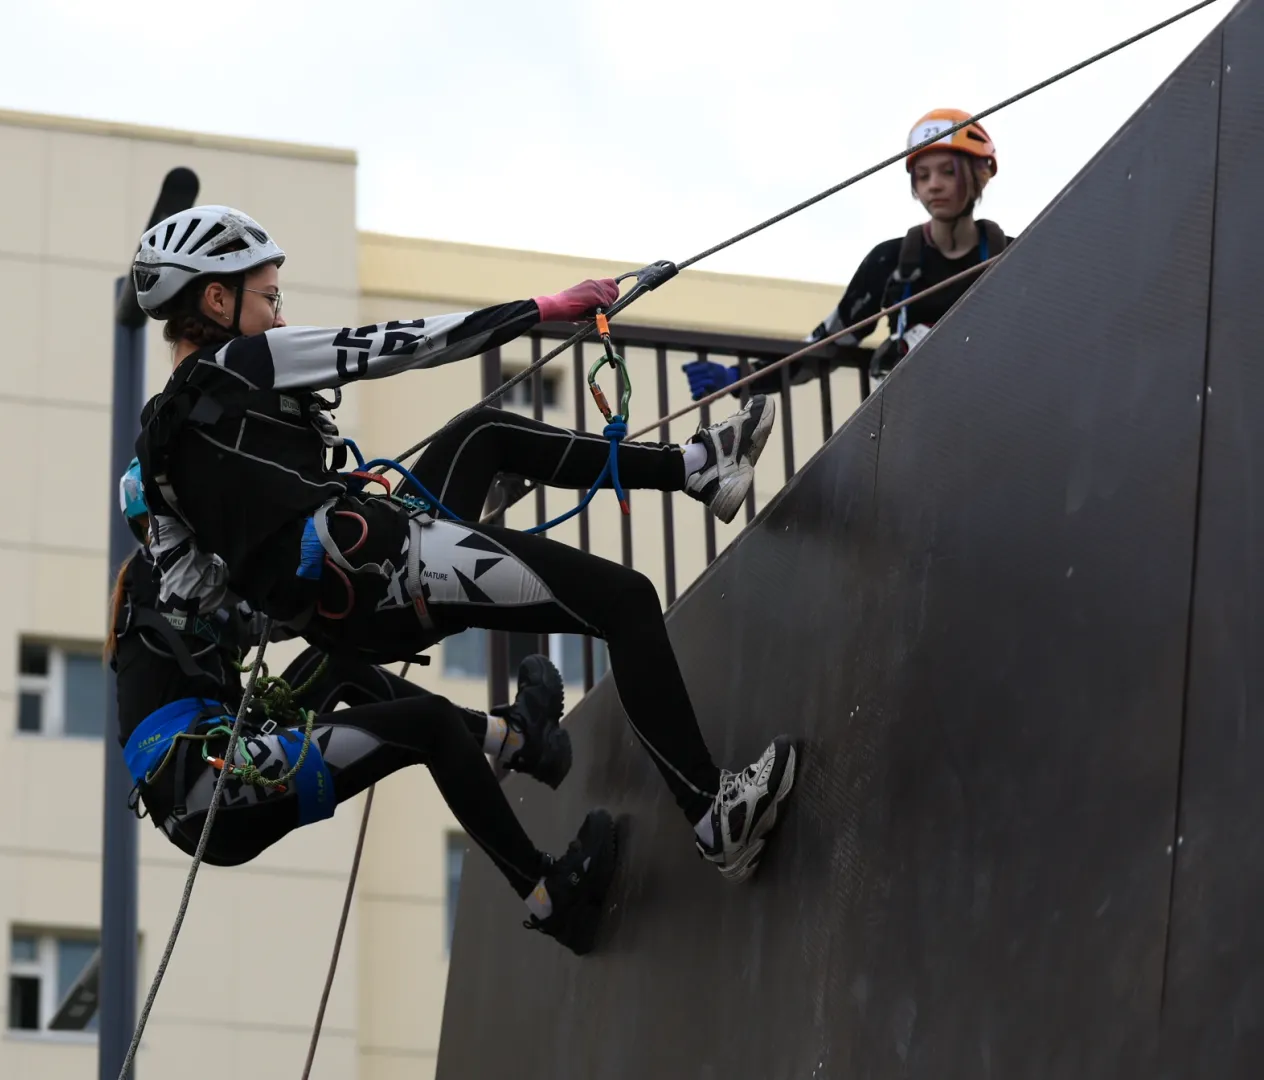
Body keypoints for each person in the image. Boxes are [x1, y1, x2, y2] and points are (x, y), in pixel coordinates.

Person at [127, 205, 799, 887]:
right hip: (386, 569)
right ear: (217, 299)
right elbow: (402, 341)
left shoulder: (155, 456)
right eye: (268, 298)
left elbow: (199, 591)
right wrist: (546, 307)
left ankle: (695, 468)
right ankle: (714, 814)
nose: (277, 315)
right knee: (624, 601)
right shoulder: (244, 361)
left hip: (348, 601)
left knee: (484, 437)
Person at [109, 481, 617, 954]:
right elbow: (264, 592)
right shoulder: (159, 573)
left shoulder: (176, 589)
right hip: (208, 784)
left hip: (210, 776)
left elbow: (278, 610)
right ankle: (546, 894)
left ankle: (512, 740)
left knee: (337, 662)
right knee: (431, 727)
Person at [684, 108, 1009, 401]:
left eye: (947, 172)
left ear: (979, 174)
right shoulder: (892, 261)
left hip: (1002, 402)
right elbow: (829, 341)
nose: (933, 186)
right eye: (922, 175)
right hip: (918, 415)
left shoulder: (1013, 255)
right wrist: (739, 377)